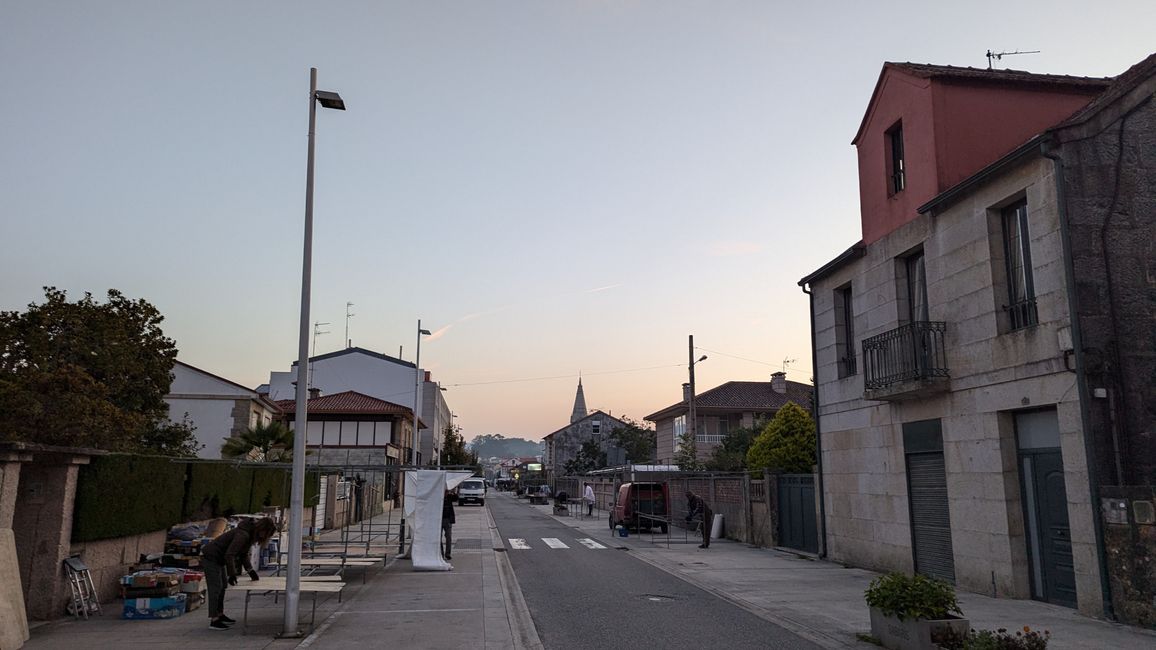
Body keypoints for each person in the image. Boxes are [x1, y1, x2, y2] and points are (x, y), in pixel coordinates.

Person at [201, 517, 277, 630]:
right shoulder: (243, 535)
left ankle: (220, 614)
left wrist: (250, 571)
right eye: (266, 534)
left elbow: (243, 554)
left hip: (218, 558)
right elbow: (230, 555)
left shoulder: (250, 534)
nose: (264, 537)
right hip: (211, 557)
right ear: (263, 530)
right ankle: (214, 620)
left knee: (223, 587)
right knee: (215, 588)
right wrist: (232, 574)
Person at [441, 489, 456, 561]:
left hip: (448, 519)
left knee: (448, 537)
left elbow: (456, 498)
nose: (445, 493)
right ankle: (440, 553)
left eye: (446, 491)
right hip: (439, 519)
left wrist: (453, 492)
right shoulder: (438, 497)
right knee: (438, 538)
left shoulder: (450, 497)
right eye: (445, 491)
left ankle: (448, 554)